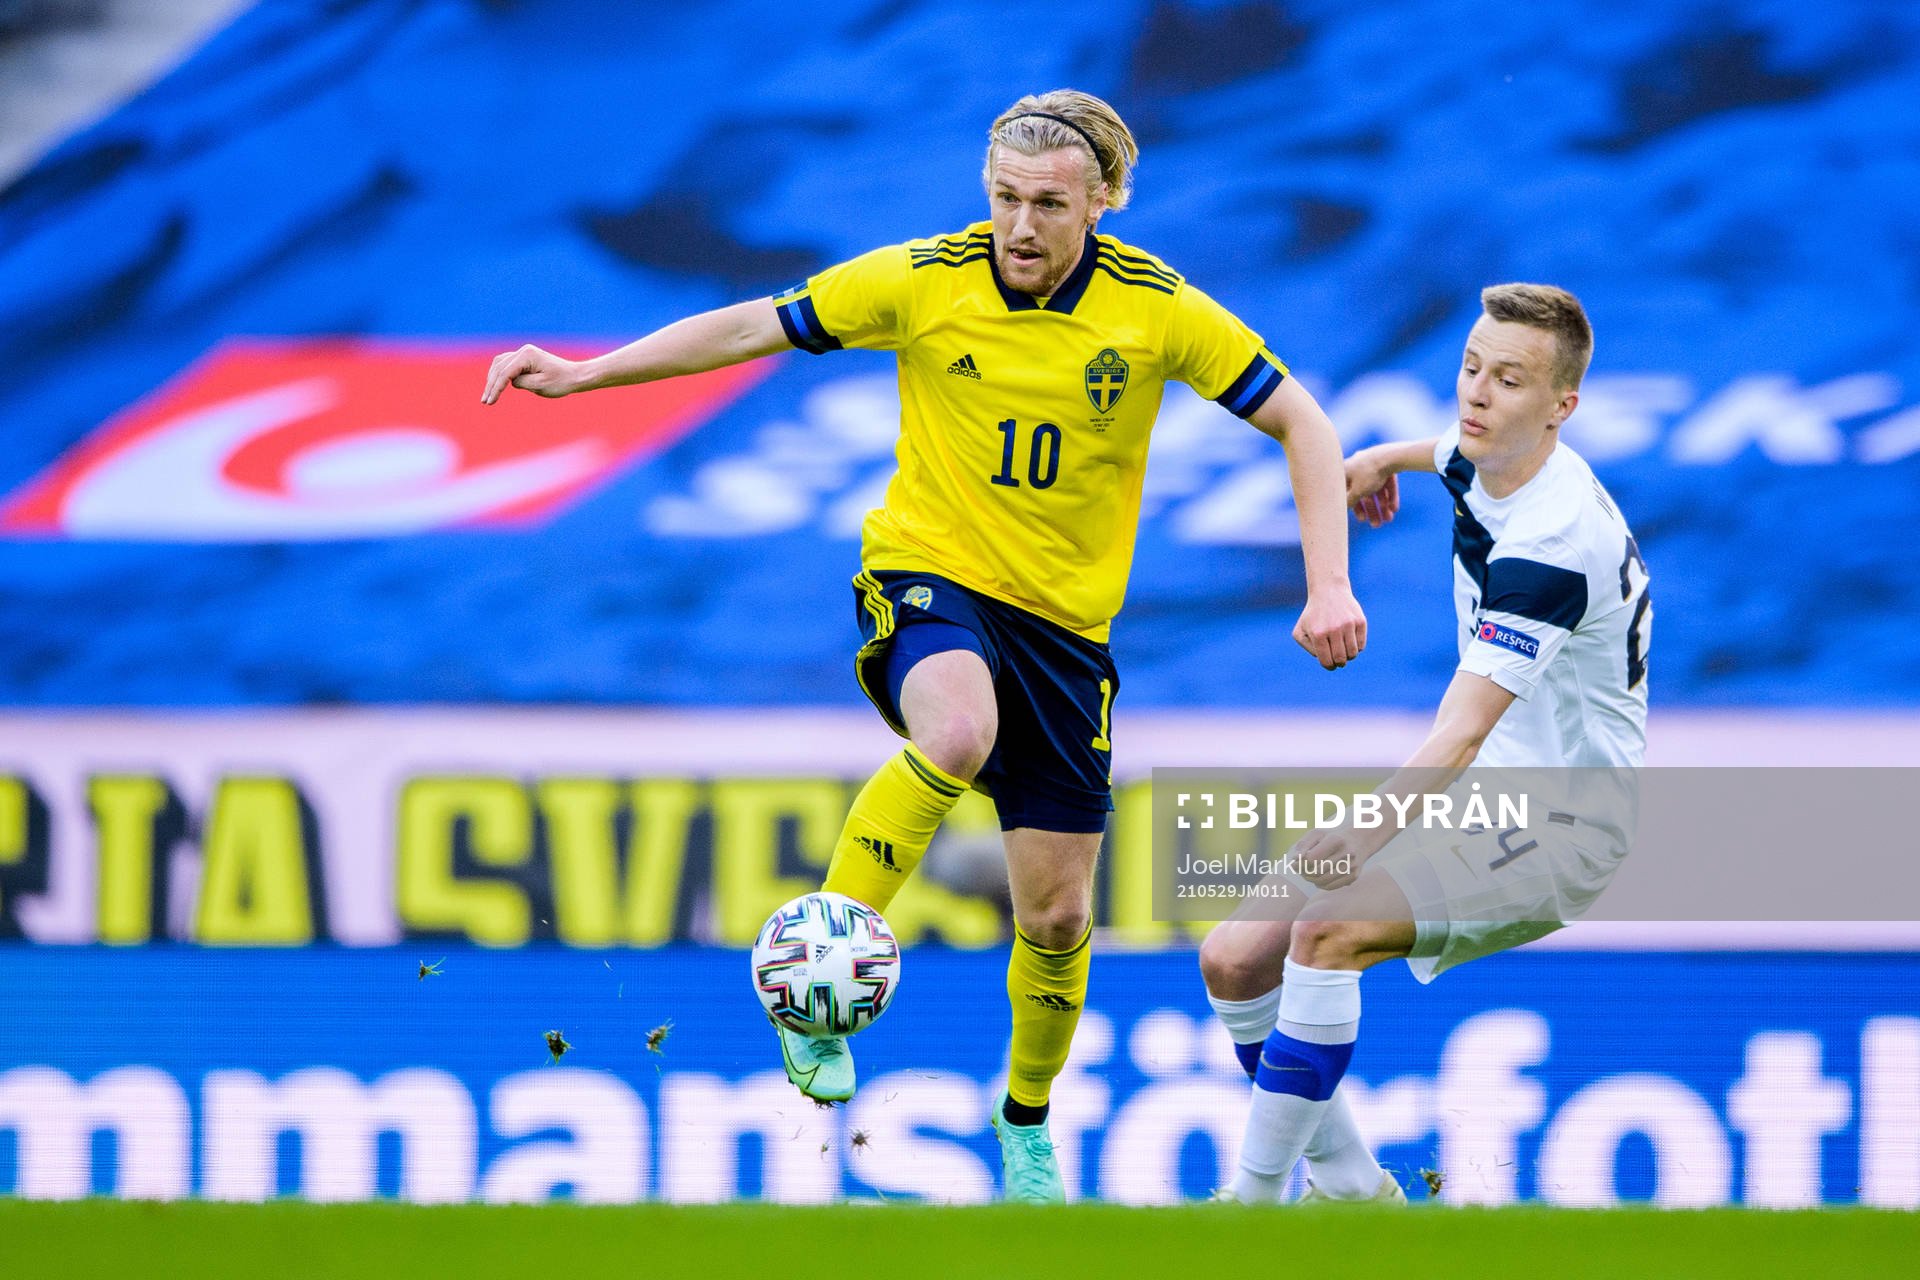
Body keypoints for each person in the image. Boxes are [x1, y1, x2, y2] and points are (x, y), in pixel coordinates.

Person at [484, 88, 1367, 1203]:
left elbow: (1304, 417)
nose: (1021, 226)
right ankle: (813, 996)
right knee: (955, 730)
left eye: (1050, 203)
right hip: (928, 573)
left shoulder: (1159, 309)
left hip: (1065, 631)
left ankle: (1026, 1126)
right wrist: (587, 372)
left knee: (1056, 913)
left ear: (1103, 202)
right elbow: (755, 321)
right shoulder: (923, 278)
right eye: (1005, 196)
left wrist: (1326, 578)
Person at [1199, 283, 1651, 1203]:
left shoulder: (1553, 546)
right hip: (1488, 795)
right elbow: (1447, 451)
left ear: (1563, 408)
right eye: (1472, 368)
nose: (1478, 394)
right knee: (1235, 955)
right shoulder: (1500, 451)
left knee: (1328, 924)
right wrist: (1376, 460)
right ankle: (1357, 1200)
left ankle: (1244, 1213)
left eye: (1510, 380)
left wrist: (1358, 837)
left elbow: (1460, 730)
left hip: (1564, 824)